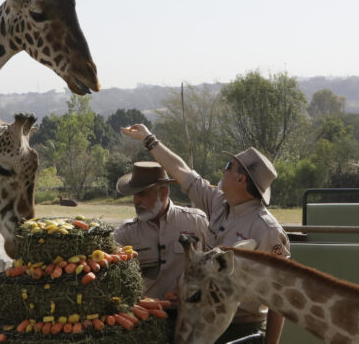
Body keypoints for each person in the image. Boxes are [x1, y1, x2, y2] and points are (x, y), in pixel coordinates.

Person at [121, 124, 290, 344]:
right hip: (206, 322)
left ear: (241, 180)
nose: (223, 169)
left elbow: (279, 297)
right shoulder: (219, 203)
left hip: (241, 327)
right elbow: (180, 170)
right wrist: (149, 139)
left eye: (230, 165)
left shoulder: (265, 229)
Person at [113, 161, 209, 300]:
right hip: (145, 316)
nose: (135, 201)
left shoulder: (196, 221)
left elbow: (214, 268)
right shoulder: (125, 233)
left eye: (142, 194)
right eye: (134, 195)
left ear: (163, 193)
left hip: (189, 315)